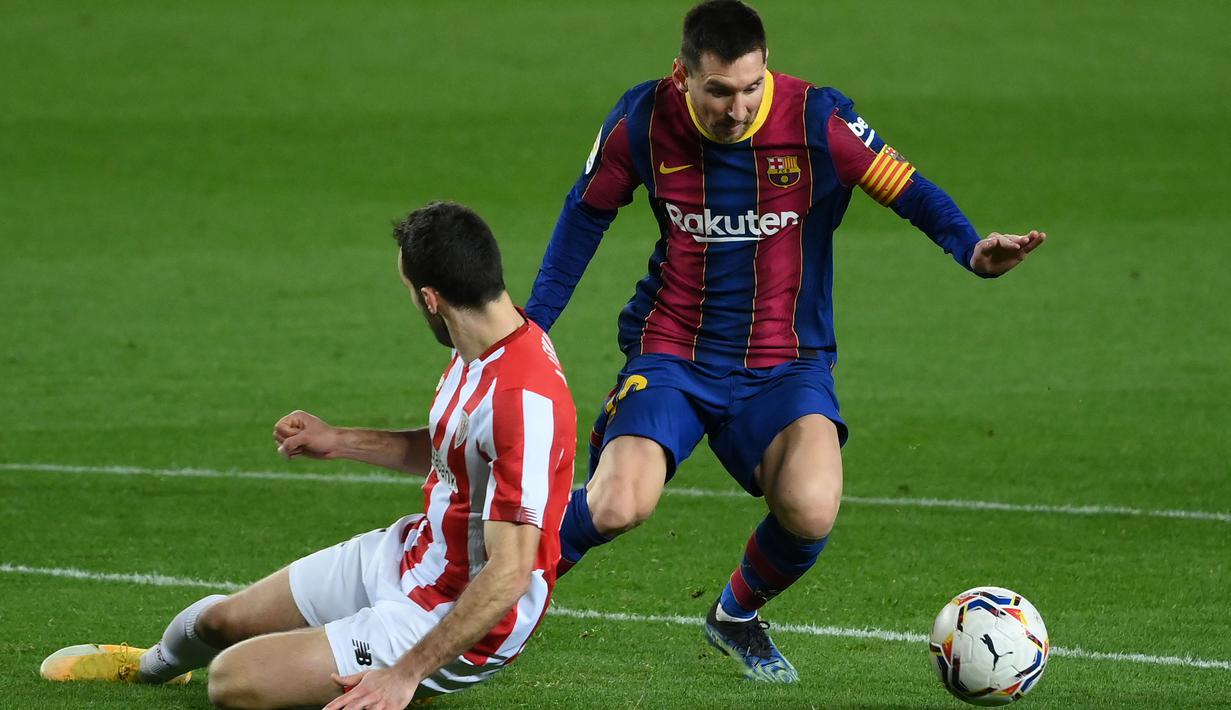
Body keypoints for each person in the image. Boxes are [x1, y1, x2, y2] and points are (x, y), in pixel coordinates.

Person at [526, 0, 1045, 684]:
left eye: (748, 88)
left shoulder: (817, 119)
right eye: (716, 91)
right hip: (674, 348)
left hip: (786, 362)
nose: (736, 108)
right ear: (681, 75)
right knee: (620, 502)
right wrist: (528, 330)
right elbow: (583, 217)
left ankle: (734, 615)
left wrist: (971, 249)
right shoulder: (643, 121)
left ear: (764, 68)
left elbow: (907, 188)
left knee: (810, 508)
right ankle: (493, 590)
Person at [41, 201, 578, 709]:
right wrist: (339, 439)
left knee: (234, 681)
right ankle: (153, 665)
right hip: (415, 554)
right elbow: (454, 450)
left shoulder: (522, 398)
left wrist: (404, 673)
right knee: (221, 623)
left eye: (410, 291)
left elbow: (510, 572)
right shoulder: (484, 342)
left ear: (432, 297)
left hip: (457, 616)